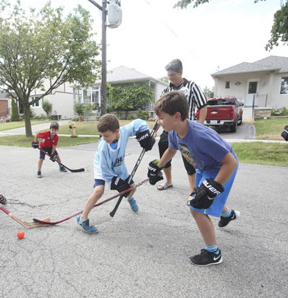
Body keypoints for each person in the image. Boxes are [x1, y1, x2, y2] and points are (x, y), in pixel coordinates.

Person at [148, 91, 239, 266]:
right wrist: (158, 166)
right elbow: (171, 151)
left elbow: (231, 162)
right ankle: (228, 214)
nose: (159, 122)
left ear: (176, 116)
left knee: (196, 207)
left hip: (221, 168)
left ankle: (214, 253)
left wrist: (214, 186)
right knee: (201, 198)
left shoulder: (200, 136)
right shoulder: (174, 132)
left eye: (161, 118)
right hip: (204, 168)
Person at [76, 114, 155, 234]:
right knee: (99, 191)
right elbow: (106, 171)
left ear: (116, 131)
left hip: (118, 165)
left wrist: (144, 132)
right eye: (102, 135)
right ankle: (83, 218)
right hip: (102, 166)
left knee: (132, 188)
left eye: (106, 135)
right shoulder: (103, 147)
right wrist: (116, 182)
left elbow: (139, 123)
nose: (104, 138)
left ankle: (129, 198)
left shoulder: (124, 131)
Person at [156, 59, 208, 193]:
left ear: (180, 72)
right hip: (170, 128)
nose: (170, 77)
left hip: (187, 129)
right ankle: (168, 181)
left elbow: (202, 106)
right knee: (164, 149)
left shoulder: (192, 86)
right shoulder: (167, 90)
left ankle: (193, 189)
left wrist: (200, 126)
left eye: (172, 74)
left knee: (189, 158)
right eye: (168, 75)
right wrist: (156, 129)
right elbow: (160, 111)